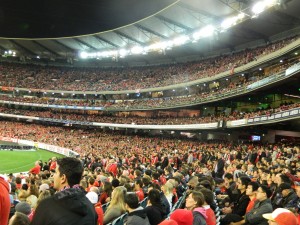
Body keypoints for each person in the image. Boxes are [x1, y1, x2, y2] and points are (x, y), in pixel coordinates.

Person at [30, 157, 98, 225]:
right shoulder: (91, 206)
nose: (53, 176)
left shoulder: (47, 206)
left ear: (63, 178)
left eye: (56, 172)